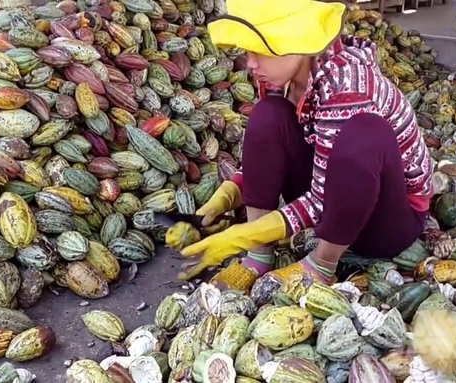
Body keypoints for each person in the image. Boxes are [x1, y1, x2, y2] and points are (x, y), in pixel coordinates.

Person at [176, 0, 434, 292]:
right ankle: (259, 255)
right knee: (268, 115)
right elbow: (274, 156)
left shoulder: (346, 82)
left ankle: (322, 264)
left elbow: (324, 198)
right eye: (248, 51)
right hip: (335, 202)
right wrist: (229, 194)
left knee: (365, 134)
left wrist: (242, 234)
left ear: (295, 39)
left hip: (385, 220)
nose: (250, 63)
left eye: (259, 50)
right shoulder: (281, 78)